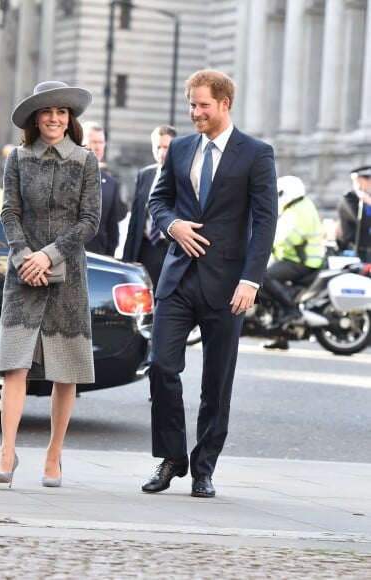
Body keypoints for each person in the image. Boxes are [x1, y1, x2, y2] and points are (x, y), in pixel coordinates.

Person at [142, 69, 277, 498]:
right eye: (190, 104)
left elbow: (265, 220)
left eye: (202, 105)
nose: (194, 112)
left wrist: (251, 280)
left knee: (216, 383)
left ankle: (203, 467)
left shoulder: (256, 153)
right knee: (162, 366)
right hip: (178, 278)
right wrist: (173, 225)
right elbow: (157, 201)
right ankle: (172, 458)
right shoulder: (180, 149)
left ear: (224, 104)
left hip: (228, 285)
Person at [0, 81, 101, 488]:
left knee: (65, 368)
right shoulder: (18, 158)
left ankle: (54, 456)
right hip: (23, 275)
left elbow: (90, 221)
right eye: (47, 112)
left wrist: (49, 254)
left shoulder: (85, 161)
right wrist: (24, 257)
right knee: (14, 363)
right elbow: (8, 212)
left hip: (68, 274)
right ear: (35, 118)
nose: (54, 119)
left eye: (61, 112)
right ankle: (7, 451)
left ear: (69, 118)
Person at [262, 175, 325, 350]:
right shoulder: (296, 207)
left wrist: (265, 245)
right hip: (295, 259)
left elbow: (290, 238)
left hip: (303, 261)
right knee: (271, 291)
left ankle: (292, 311)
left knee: (265, 277)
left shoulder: (301, 209)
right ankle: (279, 336)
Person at [123, 125, 177, 291]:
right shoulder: (145, 175)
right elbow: (135, 220)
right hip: (144, 249)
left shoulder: (183, 177)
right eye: (157, 147)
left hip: (169, 249)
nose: (161, 152)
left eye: (166, 147)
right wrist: (127, 259)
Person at [82, 121, 121, 256]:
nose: (98, 147)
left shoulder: (111, 183)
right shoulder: (67, 175)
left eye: (101, 142)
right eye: (93, 142)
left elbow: (112, 230)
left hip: (98, 257)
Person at [336, 166, 371, 263]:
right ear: (357, 180)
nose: (369, 183)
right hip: (356, 252)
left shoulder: (368, 198)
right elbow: (364, 222)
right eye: (366, 179)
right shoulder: (350, 199)